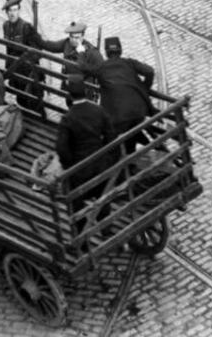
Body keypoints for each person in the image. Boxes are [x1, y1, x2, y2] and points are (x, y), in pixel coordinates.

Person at [54, 75, 116, 234]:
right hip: (101, 165)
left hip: (80, 172)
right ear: (86, 91)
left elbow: (61, 149)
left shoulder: (68, 119)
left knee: (74, 199)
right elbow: (111, 136)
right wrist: (106, 157)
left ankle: (80, 233)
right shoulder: (98, 110)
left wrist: (70, 166)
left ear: (69, 95)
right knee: (103, 195)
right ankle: (106, 228)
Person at [79, 37, 155, 154]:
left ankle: (124, 162)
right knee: (133, 132)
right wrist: (144, 88)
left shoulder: (101, 68)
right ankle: (135, 156)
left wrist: (80, 52)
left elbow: (83, 68)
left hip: (118, 117)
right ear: (120, 50)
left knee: (112, 138)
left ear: (106, 52)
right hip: (138, 111)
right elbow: (150, 71)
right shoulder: (129, 63)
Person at [1, 0, 46, 116]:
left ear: (19, 11)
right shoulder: (6, 26)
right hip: (16, 70)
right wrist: (8, 67)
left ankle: (40, 119)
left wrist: (29, 60)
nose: (12, 13)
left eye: (15, 10)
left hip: (29, 71)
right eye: (10, 10)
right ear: (6, 12)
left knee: (34, 99)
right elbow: (8, 50)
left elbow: (38, 50)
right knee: (21, 98)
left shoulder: (26, 27)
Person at [40, 21, 103, 106]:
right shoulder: (67, 43)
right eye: (72, 37)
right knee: (69, 104)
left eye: (77, 37)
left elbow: (101, 68)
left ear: (83, 37)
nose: (74, 40)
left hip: (84, 89)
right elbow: (51, 46)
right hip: (69, 85)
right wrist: (37, 39)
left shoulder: (91, 51)